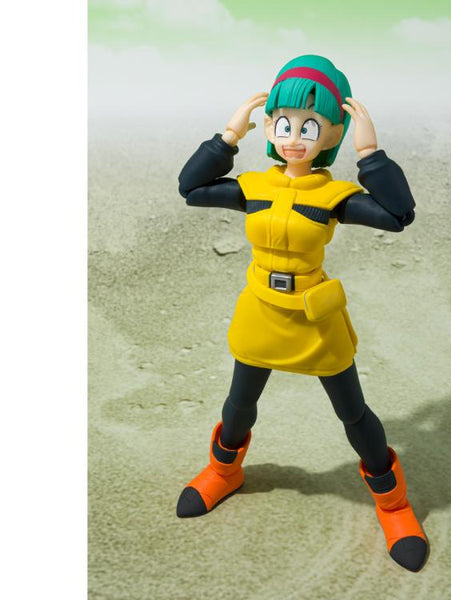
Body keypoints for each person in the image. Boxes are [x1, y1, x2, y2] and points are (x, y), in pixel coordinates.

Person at [176, 54, 428, 572]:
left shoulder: (332, 196)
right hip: (261, 310)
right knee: (239, 404)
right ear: (270, 126)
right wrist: (228, 137)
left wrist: (370, 153)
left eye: (309, 127)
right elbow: (191, 189)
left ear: (330, 133)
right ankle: (224, 470)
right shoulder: (254, 188)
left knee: (353, 413)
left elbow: (398, 215)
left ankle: (393, 504)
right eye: (284, 124)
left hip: (314, 318)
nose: (294, 138)